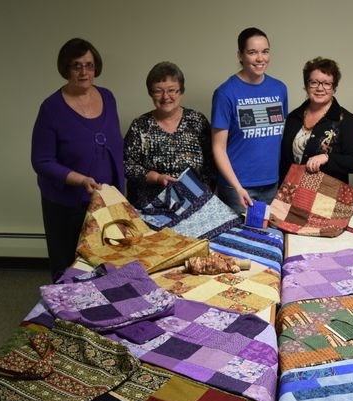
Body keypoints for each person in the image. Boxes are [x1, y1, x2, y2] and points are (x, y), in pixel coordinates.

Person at [31, 38, 124, 281]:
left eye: (89, 65)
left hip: (106, 199)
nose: (84, 72)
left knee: (106, 263)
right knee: (70, 266)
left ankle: (101, 315)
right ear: (66, 69)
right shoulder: (51, 108)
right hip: (67, 204)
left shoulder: (108, 97)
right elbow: (41, 161)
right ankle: (65, 315)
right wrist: (80, 180)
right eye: (77, 66)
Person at [211, 27, 288, 214]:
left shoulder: (279, 89)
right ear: (240, 55)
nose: (260, 58)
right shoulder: (225, 93)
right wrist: (237, 187)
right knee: (237, 242)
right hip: (237, 187)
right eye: (252, 52)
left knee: (268, 240)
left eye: (265, 51)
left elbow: (276, 136)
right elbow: (218, 147)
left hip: (271, 184)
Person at [124, 61, 215, 208]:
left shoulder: (197, 121)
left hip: (193, 204)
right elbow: (126, 164)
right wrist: (156, 177)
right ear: (150, 93)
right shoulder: (140, 126)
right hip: (149, 206)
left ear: (181, 90)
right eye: (158, 91)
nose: (165, 97)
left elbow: (211, 164)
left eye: (172, 90)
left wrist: (204, 197)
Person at [280, 57, 353, 183]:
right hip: (291, 192)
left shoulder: (347, 120)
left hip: (326, 197)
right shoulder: (293, 117)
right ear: (306, 86)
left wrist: (327, 157)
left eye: (327, 83)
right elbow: (284, 161)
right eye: (314, 82)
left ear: (334, 87)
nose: (320, 88)